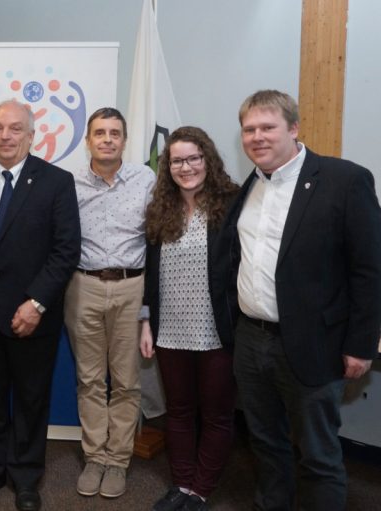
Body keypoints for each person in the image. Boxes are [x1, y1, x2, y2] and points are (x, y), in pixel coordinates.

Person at [220, 89, 381, 510]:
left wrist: (361, 344)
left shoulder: (345, 180)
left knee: (317, 452)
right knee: (266, 442)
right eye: (249, 129)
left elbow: (369, 271)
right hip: (252, 341)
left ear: (293, 128)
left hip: (314, 344)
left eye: (267, 127)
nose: (257, 137)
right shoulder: (248, 189)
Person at [0, 99, 81, 511]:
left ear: (31, 133)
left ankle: (25, 478)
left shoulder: (56, 181)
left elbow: (66, 250)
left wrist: (37, 302)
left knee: (29, 399)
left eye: (15, 129)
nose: (6, 136)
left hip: (32, 316)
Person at [140, 127, 239, 511]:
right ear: (168, 167)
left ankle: (200, 489)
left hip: (218, 331)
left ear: (207, 159)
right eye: (178, 160)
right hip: (170, 330)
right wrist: (147, 323)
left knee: (216, 414)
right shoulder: (161, 209)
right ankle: (181, 484)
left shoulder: (231, 204)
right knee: (178, 411)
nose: (186, 167)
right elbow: (151, 274)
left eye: (194, 158)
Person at [63, 107, 155, 499]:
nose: (107, 139)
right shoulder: (68, 183)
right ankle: (94, 456)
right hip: (82, 285)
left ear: (124, 139)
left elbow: (159, 234)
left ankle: (117, 461)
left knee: (126, 381)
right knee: (88, 379)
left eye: (115, 133)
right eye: (99, 133)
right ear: (87, 140)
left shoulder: (145, 179)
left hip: (132, 286)